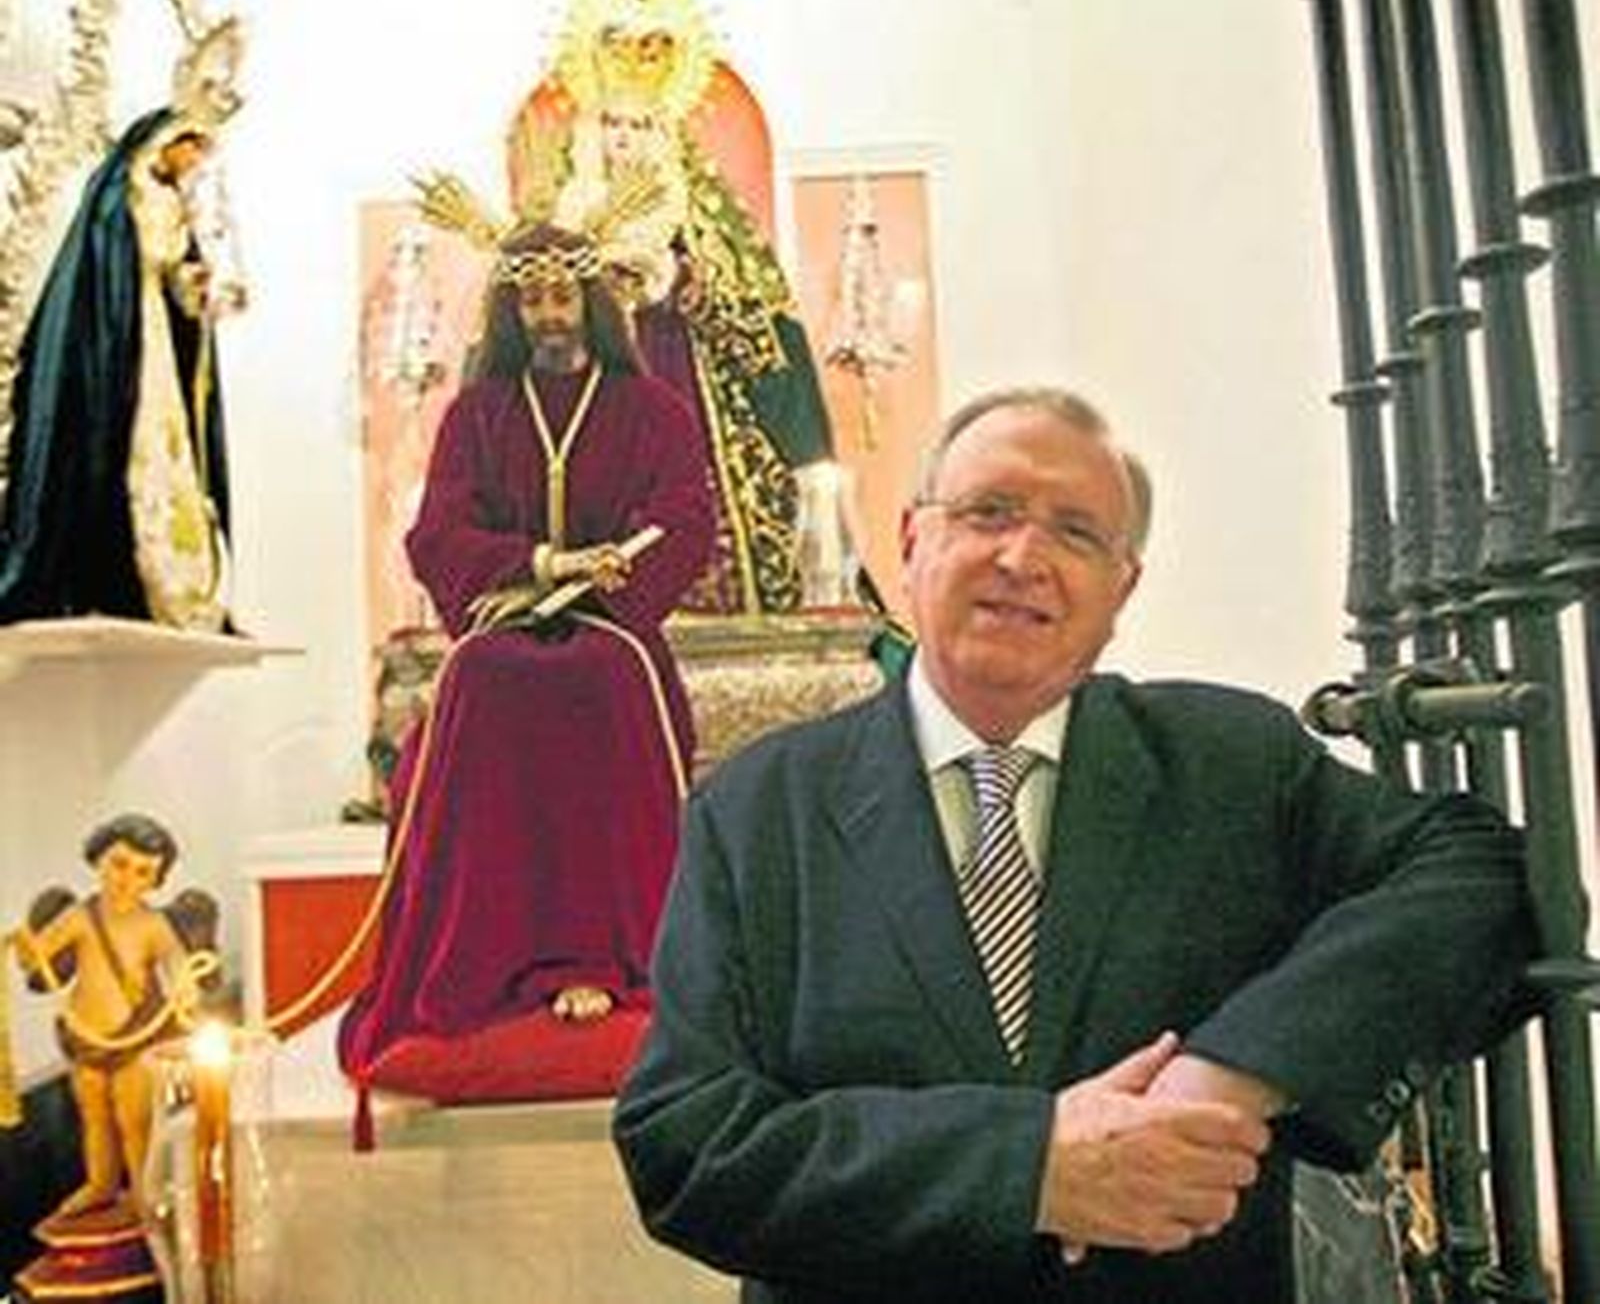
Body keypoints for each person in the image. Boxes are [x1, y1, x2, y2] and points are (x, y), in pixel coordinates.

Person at [612, 386, 1536, 1303]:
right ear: (910, 540)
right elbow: (684, 1141)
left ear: (1121, 587)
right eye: (989, 512)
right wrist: (1026, 1167)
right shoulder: (757, 805)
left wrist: (1232, 1071)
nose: (1024, 557)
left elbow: (1484, 875)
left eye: (1077, 533)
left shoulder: (1232, 763)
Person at [338, 223, 715, 1081]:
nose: (549, 314)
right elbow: (437, 531)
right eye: (533, 298)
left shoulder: (653, 410)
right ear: (513, 310)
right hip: (504, 627)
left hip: (615, 632)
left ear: (592, 302)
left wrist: (615, 571)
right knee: (481, 675)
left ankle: (599, 958)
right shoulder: (476, 413)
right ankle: (484, 960)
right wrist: (540, 565)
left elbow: (687, 518)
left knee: (602, 675)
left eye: (562, 295)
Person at [511, 0, 835, 614]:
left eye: (637, 126)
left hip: (679, 379)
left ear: (659, 129)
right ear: (590, 127)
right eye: (612, 124)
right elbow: (512, 328)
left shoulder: (693, 209)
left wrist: (678, 277)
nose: (623, 140)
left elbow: (758, 326)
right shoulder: (560, 213)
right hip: (581, 391)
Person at [0, 17, 245, 629]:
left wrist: (196, 291)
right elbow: (111, 265)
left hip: (154, 346)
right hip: (122, 349)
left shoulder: (172, 202)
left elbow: (179, 278)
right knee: (127, 451)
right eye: (190, 146)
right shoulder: (120, 197)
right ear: (164, 141)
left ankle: (173, 586)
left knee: (166, 458)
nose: (193, 161)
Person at [10, 814, 216, 1220]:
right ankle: (101, 1183)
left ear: (155, 881)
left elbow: (176, 963)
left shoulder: (153, 924)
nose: (127, 879)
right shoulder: (81, 917)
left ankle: (143, 1190)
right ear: (98, 860)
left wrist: (183, 986)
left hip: (133, 1038)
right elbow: (41, 952)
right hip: (86, 1037)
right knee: (94, 1115)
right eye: (119, 864)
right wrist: (25, 948)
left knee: (132, 1117)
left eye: (143, 872)